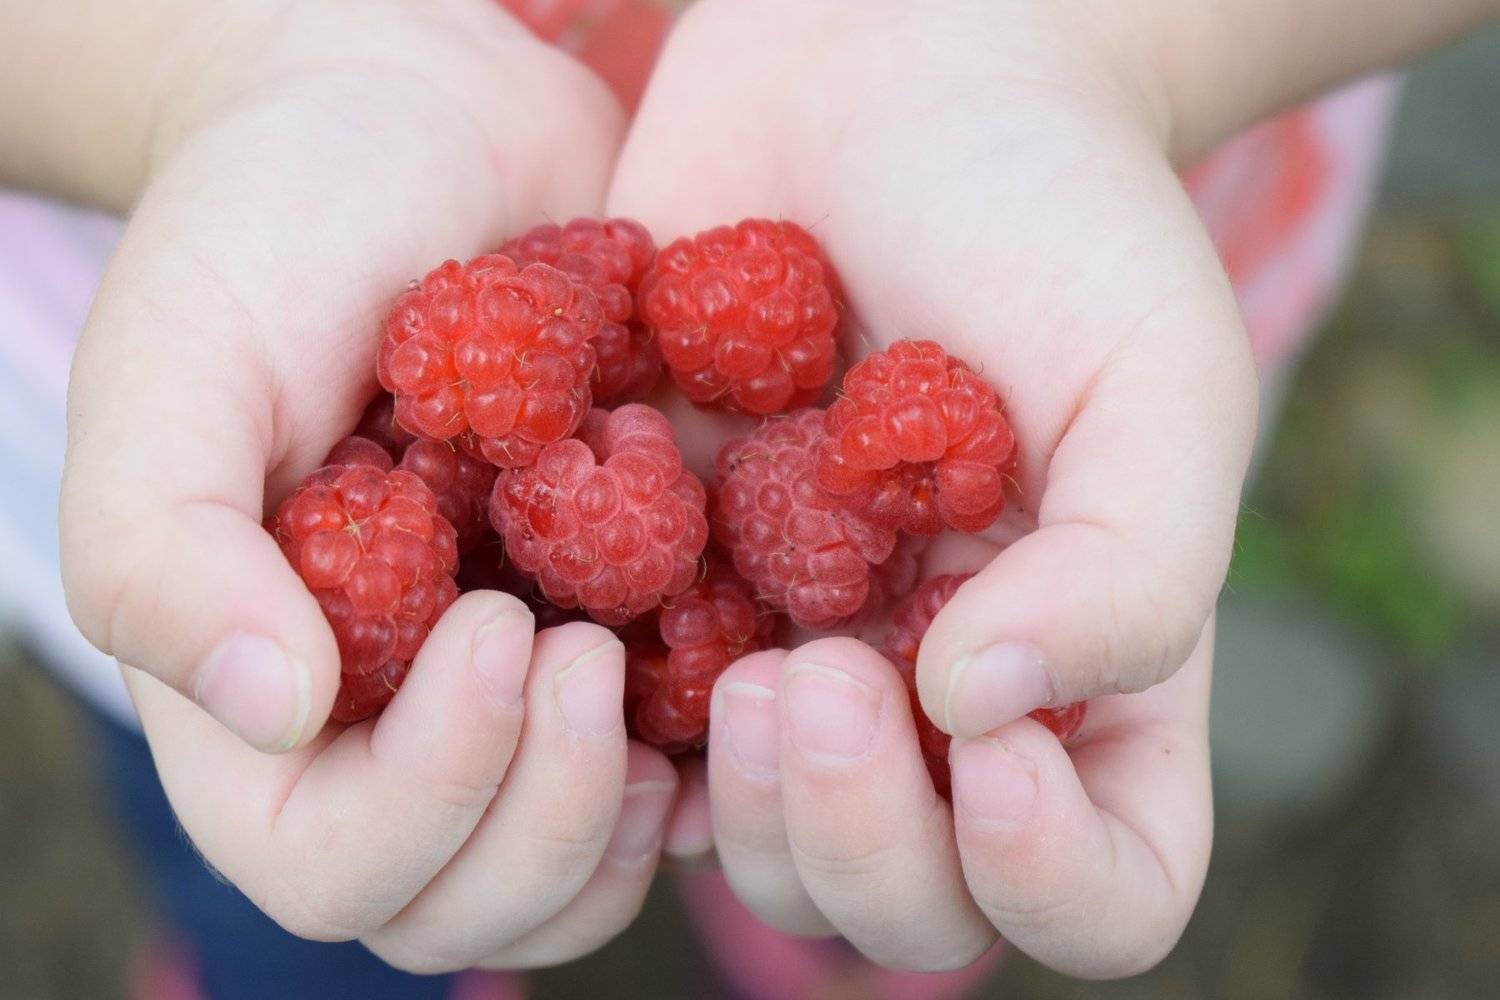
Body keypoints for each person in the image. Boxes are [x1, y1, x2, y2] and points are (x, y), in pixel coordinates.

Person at [0, 0, 1491, 996]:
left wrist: (1096, 47)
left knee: (883, 792)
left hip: (1048, 281)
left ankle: (822, 918)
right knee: (275, 821)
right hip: (214, 376)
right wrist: (206, 70)